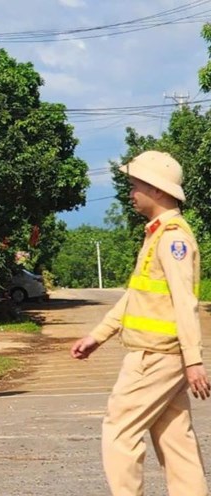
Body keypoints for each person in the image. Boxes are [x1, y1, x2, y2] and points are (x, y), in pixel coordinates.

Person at [71, 150, 211, 496]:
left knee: (120, 430)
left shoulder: (173, 238)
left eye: (136, 185)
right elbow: (136, 296)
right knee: (175, 438)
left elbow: (184, 302)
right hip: (165, 356)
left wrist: (194, 360)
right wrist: (98, 335)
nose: (131, 193)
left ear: (159, 191)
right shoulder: (158, 234)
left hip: (154, 356)